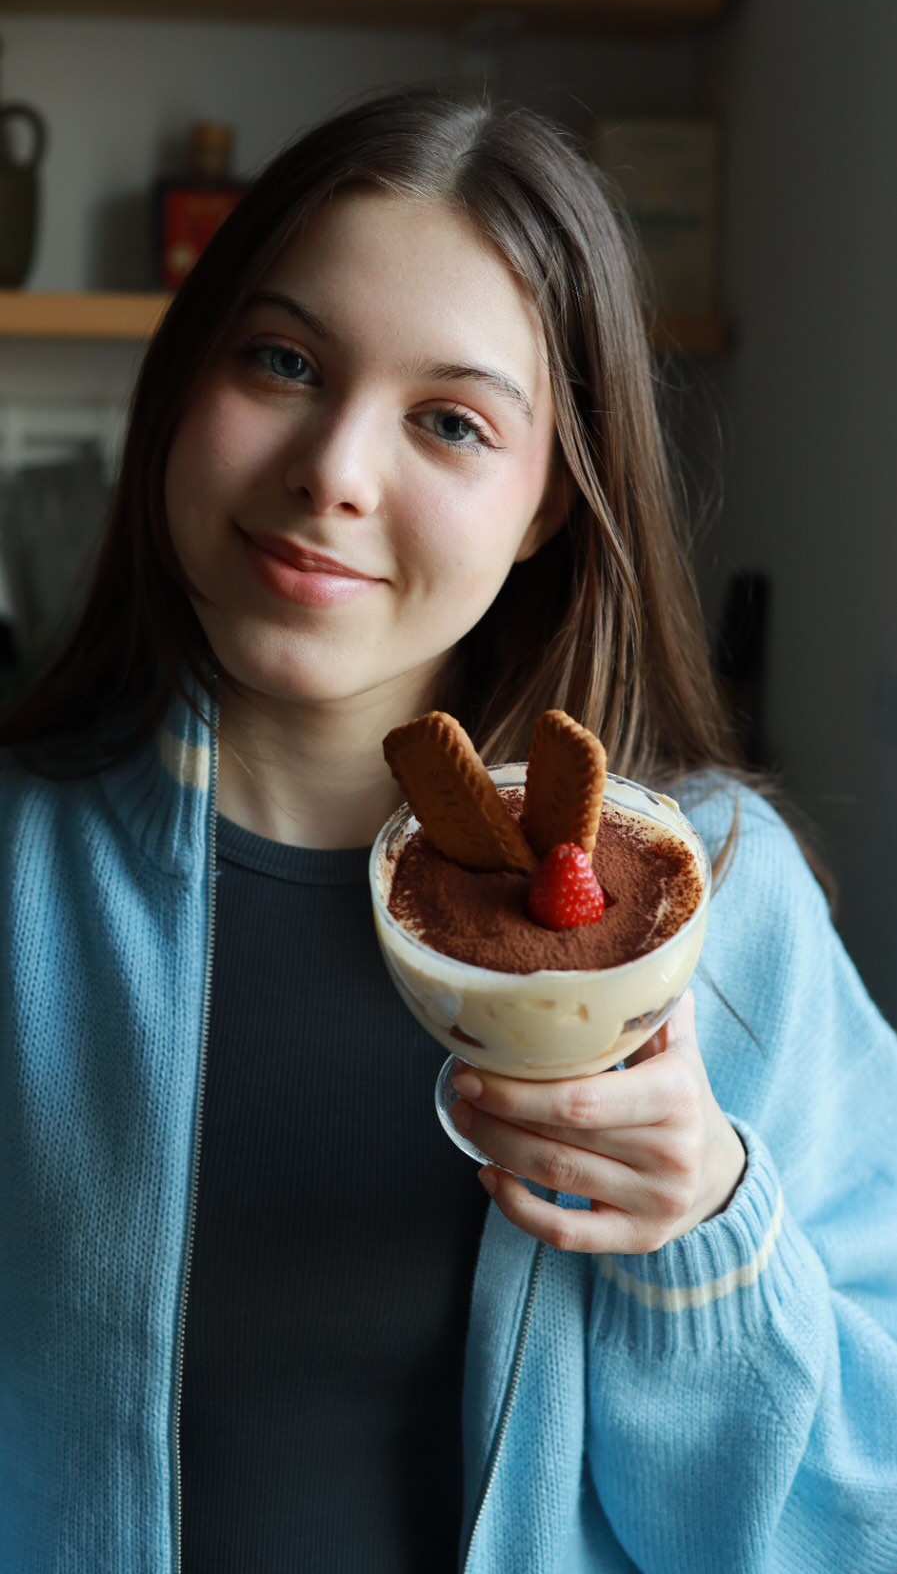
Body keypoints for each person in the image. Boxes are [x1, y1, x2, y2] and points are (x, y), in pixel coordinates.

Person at [1, 83, 895, 1574]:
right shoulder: (21, 875)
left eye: (450, 421)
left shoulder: (718, 902)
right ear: (182, 378)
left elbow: (853, 1516)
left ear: (549, 502)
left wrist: (712, 1238)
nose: (335, 472)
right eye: (281, 360)